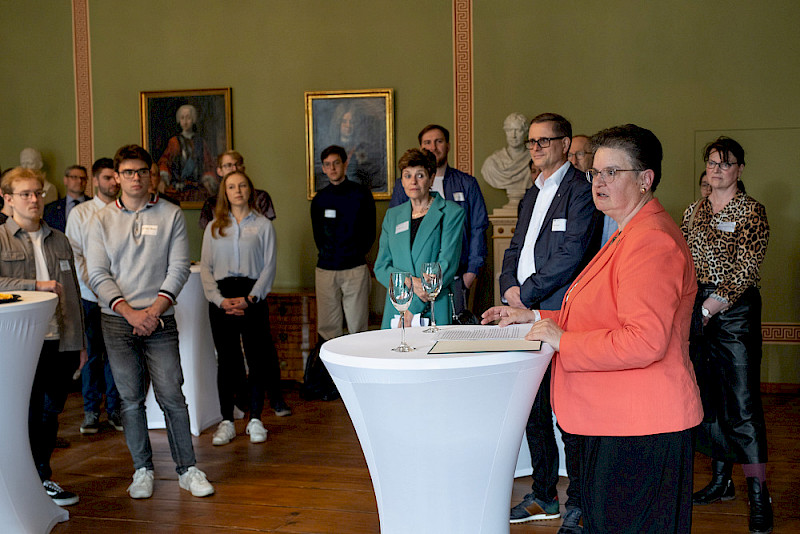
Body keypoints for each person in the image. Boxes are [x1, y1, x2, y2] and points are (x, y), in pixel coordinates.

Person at [485, 124, 703, 533]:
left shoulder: (650, 241)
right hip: (621, 420)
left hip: (643, 427)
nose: (597, 182)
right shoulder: (627, 232)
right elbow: (600, 316)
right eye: (594, 173)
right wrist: (534, 318)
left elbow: (644, 341)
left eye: (610, 173)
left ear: (645, 180)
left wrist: (562, 340)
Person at [86, 144, 214, 499]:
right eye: (128, 172)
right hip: (116, 320)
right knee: (129, 399)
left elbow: (178, 268)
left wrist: (152, 312)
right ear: (116, 177)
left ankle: (188, 469)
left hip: (160, 320)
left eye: (142, 171)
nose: (136, 178)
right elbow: (97, 273)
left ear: (151, 174)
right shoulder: (99, 220)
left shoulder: (171, 214)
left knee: (172, 394)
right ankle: (142, 470)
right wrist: (129, 312)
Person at [498, 113, 600, 529]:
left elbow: (572, 255)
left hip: (561, 315)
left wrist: (528, 293)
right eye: (532, 142)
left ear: (564, 144)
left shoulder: (581, 191)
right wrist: (508, 286)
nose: (535, 148)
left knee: (569, 415)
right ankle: (543, 495)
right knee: (535, 410)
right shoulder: (531, 192)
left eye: (544, 141)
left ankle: (578, 502)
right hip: (524, 313)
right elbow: (515, 246)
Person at [682, 136, 772, 533]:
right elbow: (684, 265)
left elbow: (745, 271)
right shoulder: (693, 211)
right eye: (712, 162)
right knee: (708, 402)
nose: (717, 169)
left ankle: (759, 495)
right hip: (697, 310)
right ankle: (721, 482)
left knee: (743, 406)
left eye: (725, 163)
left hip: (734, 312)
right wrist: (690, 308)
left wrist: (707, 309)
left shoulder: (751, 211)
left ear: (739, 169)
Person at [0, 166, 87, 506]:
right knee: (24, 412)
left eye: (38, 193)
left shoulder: (59, 238)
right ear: (8, 199)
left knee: (50, 413)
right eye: (25, 194)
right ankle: (20, 483)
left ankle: (43, 478)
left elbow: (73, 293)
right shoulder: (1, 238)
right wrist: (32, 286)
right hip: (18, 341)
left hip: (59, 339)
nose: (34, 199)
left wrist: (80, 342)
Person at [201, 170, 283, 446]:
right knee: (227, 361)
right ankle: (227, 420)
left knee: (257, 358)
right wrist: (219, 300)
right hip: (222, 299)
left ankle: (256, 418)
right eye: (232, 186)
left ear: (250, 190)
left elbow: (269, 266)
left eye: (243, 186)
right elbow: (206, 270)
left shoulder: (262, 226)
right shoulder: (214, 227)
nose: (237, 191)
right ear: (225, 192)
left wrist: (250, 299)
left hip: (252, 298)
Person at [389, 125, 488, 316]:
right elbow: (396, 232)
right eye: (427, 142)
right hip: (414, 281)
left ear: (448, 145)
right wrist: (409, 280)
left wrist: (471, 272)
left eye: (439, 141)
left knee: (450, 331)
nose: (433, 147)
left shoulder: (467, 184)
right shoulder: (405, 186)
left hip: (456, 276)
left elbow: (478, 228)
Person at [375, 148, 465, 328]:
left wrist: (413, 308)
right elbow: (381, 267)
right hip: (396, 306)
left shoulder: (451, 213)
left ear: (431, 178)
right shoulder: (393, 216)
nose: (413, 182)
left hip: (433, 307)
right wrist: (410, 281)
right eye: (407, 176)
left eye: (420, 175)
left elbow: (446, 265)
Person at [65, 158, 123, 434]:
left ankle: (114, 409)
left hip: (121, 296)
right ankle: (90, 411)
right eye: (108, 178)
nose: (113, 182)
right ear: (97, 180)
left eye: (116, 177)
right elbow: (74, 253)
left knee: (116, 354)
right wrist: (97, 284)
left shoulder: (126, 211)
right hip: (89, 295)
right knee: (90, 355)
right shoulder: (81, 213)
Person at [311, 145, 375, 340]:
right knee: (328, 328)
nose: (332, 168)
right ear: (323, 168)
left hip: (355, 268)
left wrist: (357, 253)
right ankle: (328, 370)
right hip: (326, 270)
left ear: (345, 164)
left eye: (336, 163)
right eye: (327, 165)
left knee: (358, 327)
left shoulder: (361, 194)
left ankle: (358, 369)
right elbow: (318, 235)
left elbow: (370, 231)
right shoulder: (320, 199)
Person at [198, 150, 276, 230]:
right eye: (228, 165)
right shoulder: (211, 203)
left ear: (243, 168)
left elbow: (265, 229)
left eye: (237, 164)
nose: (234, 169)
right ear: (219, 171)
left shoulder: (261, 197)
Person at [157, 104, 217, 198]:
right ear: (179, 120)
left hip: (197, 188)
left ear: (193, 119)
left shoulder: (200, 142)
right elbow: (165, 161)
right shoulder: (174, 141)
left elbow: (208, 163)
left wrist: (208, 179)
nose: (185, 122)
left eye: (188, 118)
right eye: (182, 118)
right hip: (177, 188)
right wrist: (163, 178)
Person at [481, 112, 532, 211]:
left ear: (526, 132)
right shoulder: (492, 163)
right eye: (509, 130)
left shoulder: (534, 161)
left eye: (518, 130)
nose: (513, 135)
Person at [43, 165, 90, 232]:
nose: (79, 181)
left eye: (83, 178)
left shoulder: (96, 206)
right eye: (74, 177)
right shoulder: (50, 209)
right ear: (65, 180)